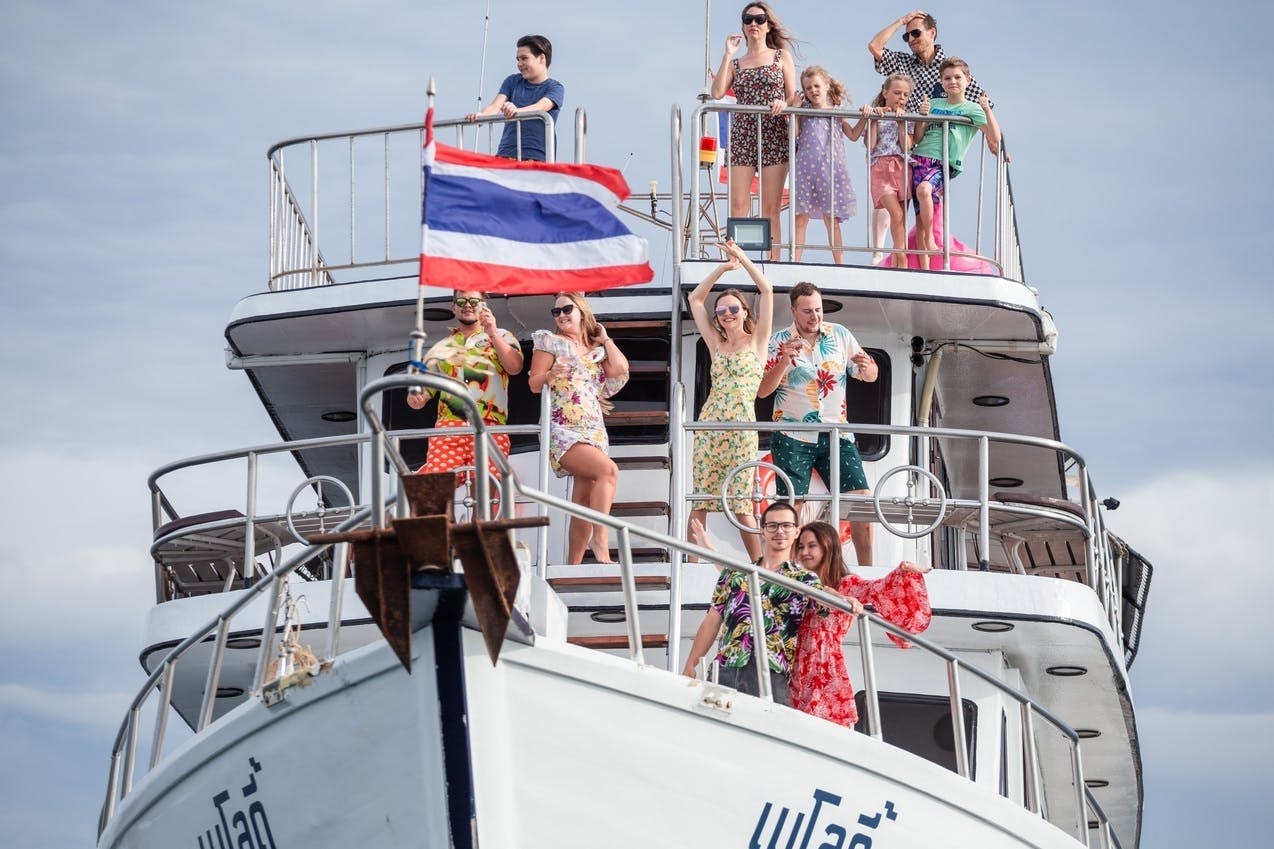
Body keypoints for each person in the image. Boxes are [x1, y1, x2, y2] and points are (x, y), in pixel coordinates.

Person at [757, 281, 879, 566]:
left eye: (818, 310)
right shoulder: (777, 341)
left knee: (861, 501)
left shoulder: (840, 334)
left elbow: (869, 375)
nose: (815, 317)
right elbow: (762, 391)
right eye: (808, 311)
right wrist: (783, 363)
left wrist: (868, 368)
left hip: (837, 433)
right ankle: (781, 572)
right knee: (790, 509)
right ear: (794, 310)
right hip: (793, 435)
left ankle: (866, 574)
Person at [789, 521, 932, 728]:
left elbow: (878, 588)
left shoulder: (846, 584)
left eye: (812, 545)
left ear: (827, 546)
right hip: (796, 662)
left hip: (825, 662)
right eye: (801, 547)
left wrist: (904, 571)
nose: (805, 552)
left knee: (825, 729)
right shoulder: (796, 581)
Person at [681, 502, 823, 705]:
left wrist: (845, 598)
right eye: (772, 526)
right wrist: (690, 664)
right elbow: (713, 619)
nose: (779, 531)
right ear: (763, 531)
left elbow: (826, 602)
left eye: (786, 526)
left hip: (771, 671)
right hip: (727, 666)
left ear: (796, 531)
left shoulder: (804, 579)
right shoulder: (735, 574)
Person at [688, 241, 774, 561]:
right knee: (699, 500)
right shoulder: (715, 342)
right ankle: (692, 565)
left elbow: (766, 291)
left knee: (740, 504)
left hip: (741, 426)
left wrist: (742, 259)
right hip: (710, 424)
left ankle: (759, 567)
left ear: (744, 312)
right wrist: (723, 269)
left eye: (733, 308)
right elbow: (696, 299)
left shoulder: (758, 340)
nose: (726, 314)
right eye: (721, 310)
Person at [528, 292, 629, 564]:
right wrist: (551, 375)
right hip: (564, 427)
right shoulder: (550, 343)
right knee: (608, 470)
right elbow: (533, 383)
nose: (560, 315)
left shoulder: (596, 351)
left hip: (594, 427)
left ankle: (572, 566)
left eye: (566, 309)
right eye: (556, 312)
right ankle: (601, 540)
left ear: (582, 311)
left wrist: (604, 338)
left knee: (583, 500)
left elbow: (619, 369)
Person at [407, 290, 523, 484]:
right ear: (454, 308)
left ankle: (481, 516)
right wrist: (415, 398)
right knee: (434, 488)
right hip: (449, 426)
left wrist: (492, 333)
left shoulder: (503, 336)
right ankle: (437, 515)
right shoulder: (441, 347)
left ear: (484, 305)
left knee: (486, 492)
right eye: (461, 301)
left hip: (490, 424)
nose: (467, 305)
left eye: (474, 300)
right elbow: (421, 396)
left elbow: (515, 367)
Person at [711, 3, 797, 262]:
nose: (754, 24)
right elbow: (717, 93)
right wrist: (727, 54)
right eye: (748, 19)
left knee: (770, 207)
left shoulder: (782, 56)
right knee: (739, 204)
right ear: (743, 25)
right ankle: (736, 259)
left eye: (759, 19)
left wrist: (784, 103)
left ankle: (774, 260)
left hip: (774, 131)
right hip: (744, 134)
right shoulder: (737, 64)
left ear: (768, 24)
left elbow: (792, 97)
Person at [910, 57, 1000, 269]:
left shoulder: (972, 108)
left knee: (924, 190)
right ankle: (925, 271)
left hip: (943, 163)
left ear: (968, 80)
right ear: (941, 82)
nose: (953, 82)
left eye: (958, 77)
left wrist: (987, 109)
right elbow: (918, 136)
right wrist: (922, 117)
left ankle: (933, 239)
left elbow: (995, 138)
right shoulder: (933, 104)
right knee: (920, 222)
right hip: (920, 158)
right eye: (947, 78)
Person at [791, 66, 864, 264]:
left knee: (831, 220)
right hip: (805, 170)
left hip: (830, 171)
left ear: (826, 85)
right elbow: (794, 133)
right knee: (800, 218)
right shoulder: (803, 111)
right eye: (808, 88)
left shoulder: (837, 112)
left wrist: (866, 118)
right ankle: (794, 262)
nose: (813, 91)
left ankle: (840, 263)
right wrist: (795, 108)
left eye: (816, 86)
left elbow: (853, 135)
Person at [465, 35, 564, 162]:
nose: (519, 63)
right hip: (506, 155)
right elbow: (495, 106)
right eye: (518, 59)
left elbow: (541, 106)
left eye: (524, 58)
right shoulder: (512, 81)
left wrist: (517, 111)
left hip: (537, 158)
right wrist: (481, 116)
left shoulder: (555, 87)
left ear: (541, 58)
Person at [866, 11, 990, 112]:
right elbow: (874, 46)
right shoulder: (902, 63)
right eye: (906, 36)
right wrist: (901, 21)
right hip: (908, 139)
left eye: (915, 33)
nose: (910, 39)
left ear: (932, 33)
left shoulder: (951, 70)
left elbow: (985, 108)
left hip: (942, 140)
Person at [866, 73, 915, 269]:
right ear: (885, 92)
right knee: (895, 213)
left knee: (901, 216)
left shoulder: (908, 117)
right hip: (881, 167)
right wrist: (875, 120)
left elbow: (907, 146)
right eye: (897, 93)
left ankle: (897, 259)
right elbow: (870, 144)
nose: (901, 98)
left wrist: (902, 124)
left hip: (902, 168)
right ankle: (901, 256)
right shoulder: (877, 115)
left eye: (905, 94)